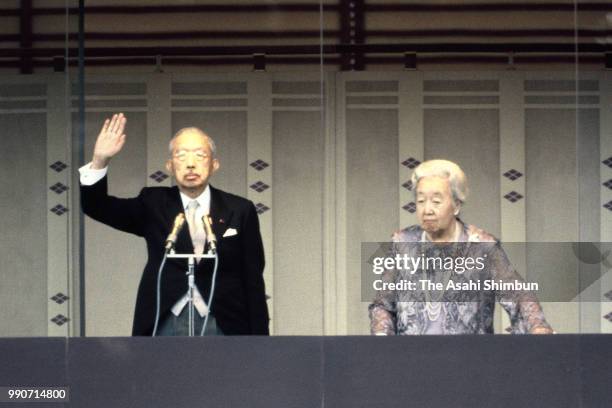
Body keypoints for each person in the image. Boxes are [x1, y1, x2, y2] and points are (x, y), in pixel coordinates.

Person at [80, 113, 269, 336]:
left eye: (200, 156)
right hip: (164, 319)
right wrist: (100, 160)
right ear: (170, 165)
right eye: (181, 156)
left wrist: (260, 340)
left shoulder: (239, 209)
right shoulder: (153, 203)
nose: (190, 164)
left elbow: (253, 276)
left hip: (225, 321)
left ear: (214, 164)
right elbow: (97, 206)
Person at [369, 159, 553, 335]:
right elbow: (382, 304)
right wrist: (382, 337)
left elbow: (519, 296)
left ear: (456, 205)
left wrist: (538, 328)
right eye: (421, 201)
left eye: (436, 201)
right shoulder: (402, 244)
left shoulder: (482, 247)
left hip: (470, 358)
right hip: (411, 357)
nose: (427, 210)